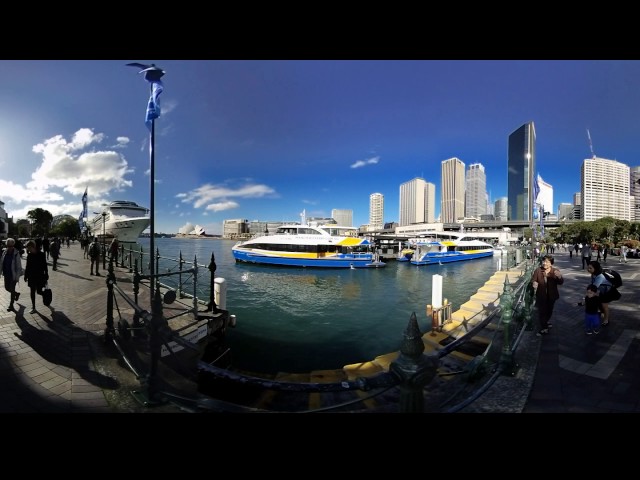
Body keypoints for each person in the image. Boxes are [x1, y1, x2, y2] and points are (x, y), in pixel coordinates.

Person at [531, 254, 564, 336]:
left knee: (549, 310)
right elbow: (534, 279)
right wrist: (534, 283)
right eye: (544, 261)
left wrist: (559, 277)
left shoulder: (555, 271)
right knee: (542, 312)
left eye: (547, 262)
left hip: (552, 295)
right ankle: (544, 328)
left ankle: (546, 322)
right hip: (541, 295)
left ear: (551, 263)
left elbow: (560, 282)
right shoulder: (538, 270)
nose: (545, 263)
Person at [23, 239, 49, 314]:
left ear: (33, 246)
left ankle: (44, 295)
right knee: (32, 291)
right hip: (31, 276)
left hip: (40, 275)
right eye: (28, 248)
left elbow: (45, 265)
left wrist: (46, 273)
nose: (28, 250)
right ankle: (33, 307)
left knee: (39, 291)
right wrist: (25, 276)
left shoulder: (41, 254)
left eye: (29, 248)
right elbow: (27, 266)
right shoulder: (29, 255)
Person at [587, 260, 613, 327]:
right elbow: (593, 285)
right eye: (588, 268)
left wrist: (586, 297)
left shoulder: (600, 277)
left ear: (595, 268)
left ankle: (606, 320)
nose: (588, 269)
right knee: (598, 301)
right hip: (601, 290)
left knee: (605, 306)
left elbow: (594, 288)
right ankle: (600, 311)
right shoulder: (593, 274)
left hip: (607, 292)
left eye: (590, 268)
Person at [1, 238, 23, 311]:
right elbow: (1, 263)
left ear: (13, 245)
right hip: (6, 274)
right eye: (8, 245)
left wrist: (17, 277)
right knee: (7, 288)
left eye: (11, 246)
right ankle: (16, 294)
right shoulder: (4, 252)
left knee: (12, 289)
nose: (9, 247)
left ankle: (11, 305)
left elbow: (19, 266)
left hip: (13, 275)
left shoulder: (16, 253)